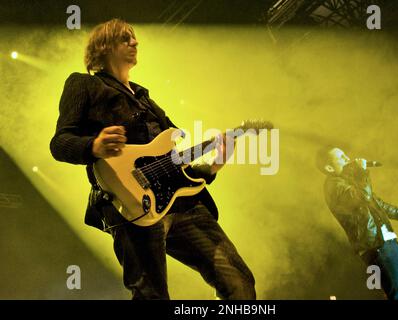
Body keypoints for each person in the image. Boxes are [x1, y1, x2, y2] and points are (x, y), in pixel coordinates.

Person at [50, 18, 256, 300]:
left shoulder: (147, 98)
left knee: (240, 284)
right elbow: (60, 143)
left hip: (183, 204)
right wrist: (94, 145)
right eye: (125, 38)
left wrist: (213, 164)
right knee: (151, 296)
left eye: (135, 38)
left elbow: (175, 162)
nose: (135, 43)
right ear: (104, 46)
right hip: (130, 202)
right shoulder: (84, 84)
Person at [316, 146, 398, 300]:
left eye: (345, 155)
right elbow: (364, 197)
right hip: (375, 247)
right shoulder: (333, 187)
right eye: (341, 157)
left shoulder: (353, 184)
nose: (348, 159)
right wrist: (362, 173)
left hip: (389, 243)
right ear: (329, 167)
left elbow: (381, 206)